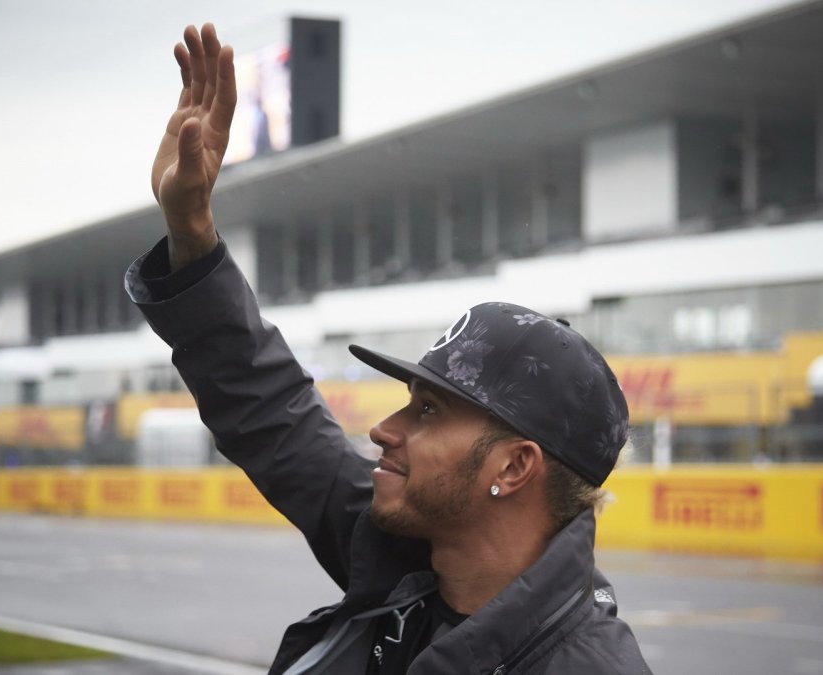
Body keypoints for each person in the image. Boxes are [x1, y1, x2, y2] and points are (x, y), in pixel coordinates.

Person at [126, 23, 652, 674]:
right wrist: (191, 229)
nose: (381, 428)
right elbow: (270, 412)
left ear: (515, 468)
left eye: (428, 412)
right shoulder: (409, 557)